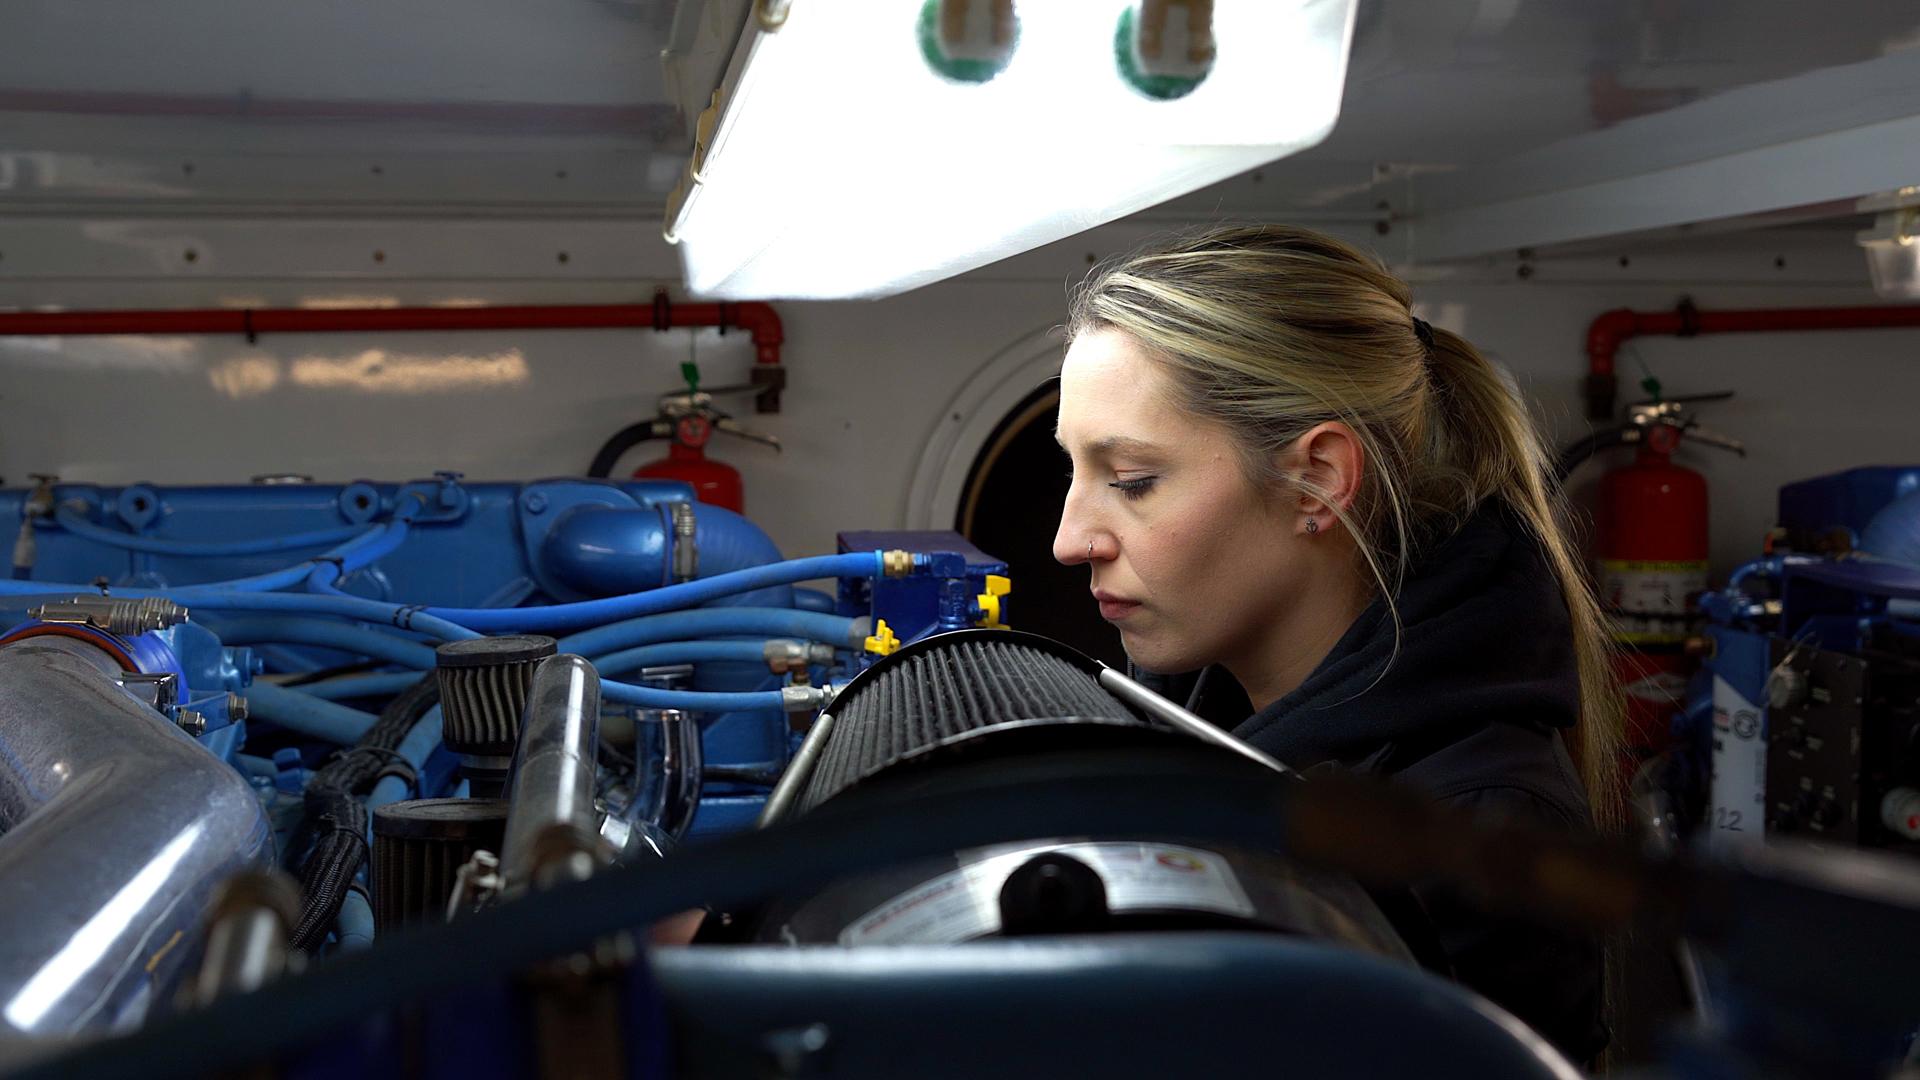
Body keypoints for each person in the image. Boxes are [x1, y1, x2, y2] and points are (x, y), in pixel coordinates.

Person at [1051, 224, 1618, 1064]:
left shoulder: (1477, 833)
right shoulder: (1187, 717)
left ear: (1315, 480)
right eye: (1073, 470)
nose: (1070, 539)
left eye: (1131, 481)